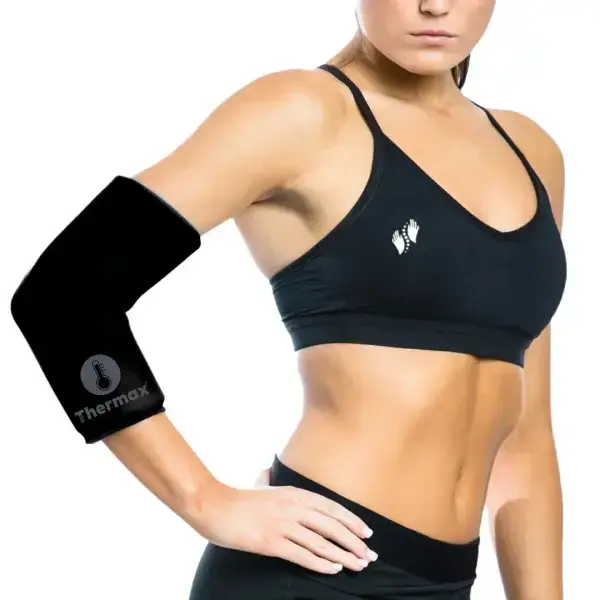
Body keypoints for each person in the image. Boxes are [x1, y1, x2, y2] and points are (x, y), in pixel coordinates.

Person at [10, 1, 567, 599]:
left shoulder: (532, 152)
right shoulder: (301, 113)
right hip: (311, 572)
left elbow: (526, 433)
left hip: (447, 583)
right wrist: (205, 500)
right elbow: (64, 294)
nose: (435, 4)